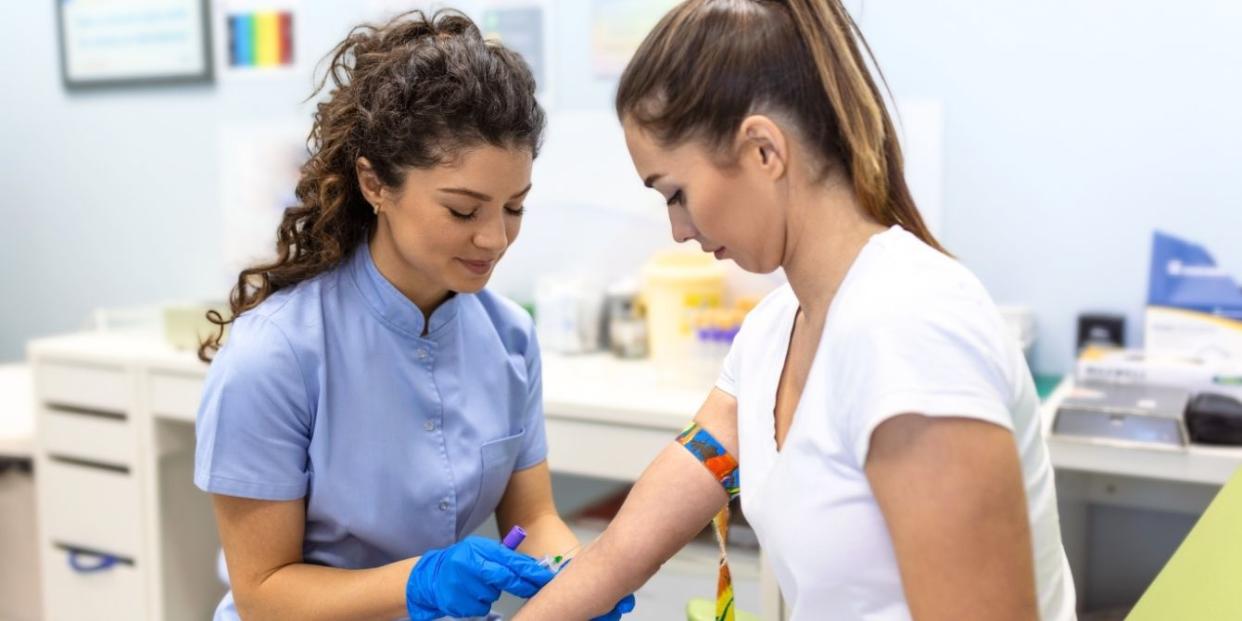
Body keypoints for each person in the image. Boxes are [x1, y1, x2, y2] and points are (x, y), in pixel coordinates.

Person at [516, 1, 1075, 619]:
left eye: (677, 193)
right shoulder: (772, 333)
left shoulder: (911, 331)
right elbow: (622, 553)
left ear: (763, 150)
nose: (677, 230)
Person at [193, 9, 633, 620]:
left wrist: (578, 579)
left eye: (515, 208)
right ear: (375, 184)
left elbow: (533, 517)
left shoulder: (509, 337)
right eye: (462, 210)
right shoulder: (275, 356)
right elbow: (263, 593)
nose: (494, 240)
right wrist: (417, 581)